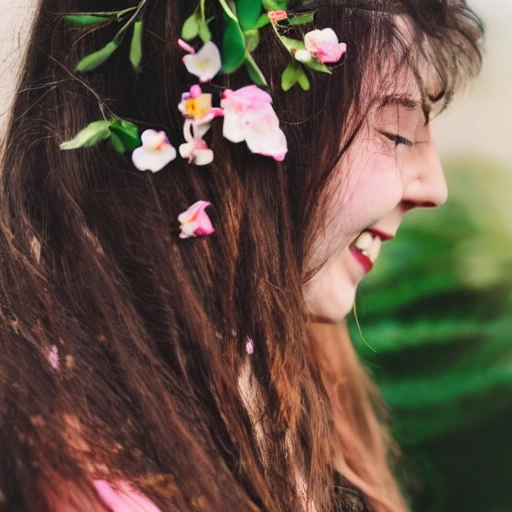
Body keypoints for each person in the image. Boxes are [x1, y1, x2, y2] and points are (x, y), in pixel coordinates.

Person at [0, 0, 483, 510]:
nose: (435, 187)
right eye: (397, 133)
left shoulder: (282, 369)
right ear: (234, 130)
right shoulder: (78, 463)